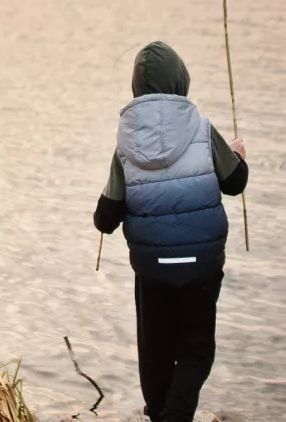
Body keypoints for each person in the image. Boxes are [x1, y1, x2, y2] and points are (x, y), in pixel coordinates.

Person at [94, 41, 249, 422]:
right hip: (201, 265)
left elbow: (106, 218)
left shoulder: (124, 145)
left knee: (156, 347)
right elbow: (234, 183)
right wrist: (238, 155)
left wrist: (105, 216)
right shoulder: (203, 129)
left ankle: (159, 413)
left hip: (153, 267)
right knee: (196, 349)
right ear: (181, 81)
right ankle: (176, 416)